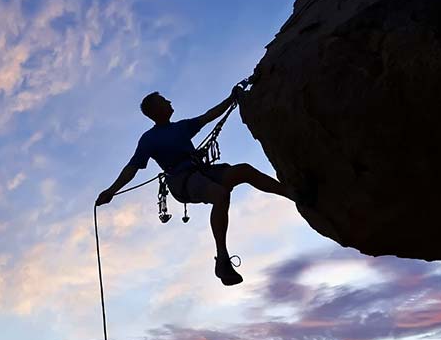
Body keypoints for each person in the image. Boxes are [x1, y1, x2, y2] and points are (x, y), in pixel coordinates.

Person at [96, 86, 297, 286]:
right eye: (164, 101)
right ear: (155, 110)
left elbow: (208, 116)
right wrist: (112, 191)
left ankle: (292, 193)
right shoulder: (149, 139)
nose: (169, 102)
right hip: (181, 181)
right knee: (220, 195)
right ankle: (222, 259)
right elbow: (132, 167)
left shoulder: (181, 127)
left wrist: (231, 98)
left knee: (243, 170)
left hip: (200, 172)